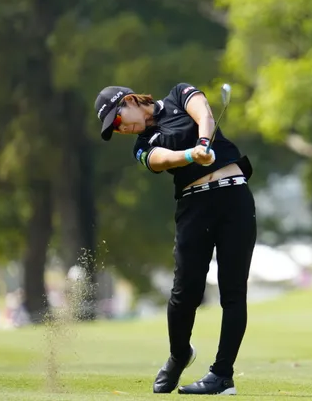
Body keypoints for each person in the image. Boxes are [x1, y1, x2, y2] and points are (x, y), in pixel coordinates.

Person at [94, 83, 257, 395]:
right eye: (115, 128)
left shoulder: (178, 95)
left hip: (234, 198)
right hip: (194, 208)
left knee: (233, 291)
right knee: (184, 294)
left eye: (118, 119)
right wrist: (191, 155)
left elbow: (204, 114)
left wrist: (204, 141)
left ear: (130, 100)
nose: (121, 128)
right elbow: (162, 160)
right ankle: (179, 354)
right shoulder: (142, 145)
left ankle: (222, 376)